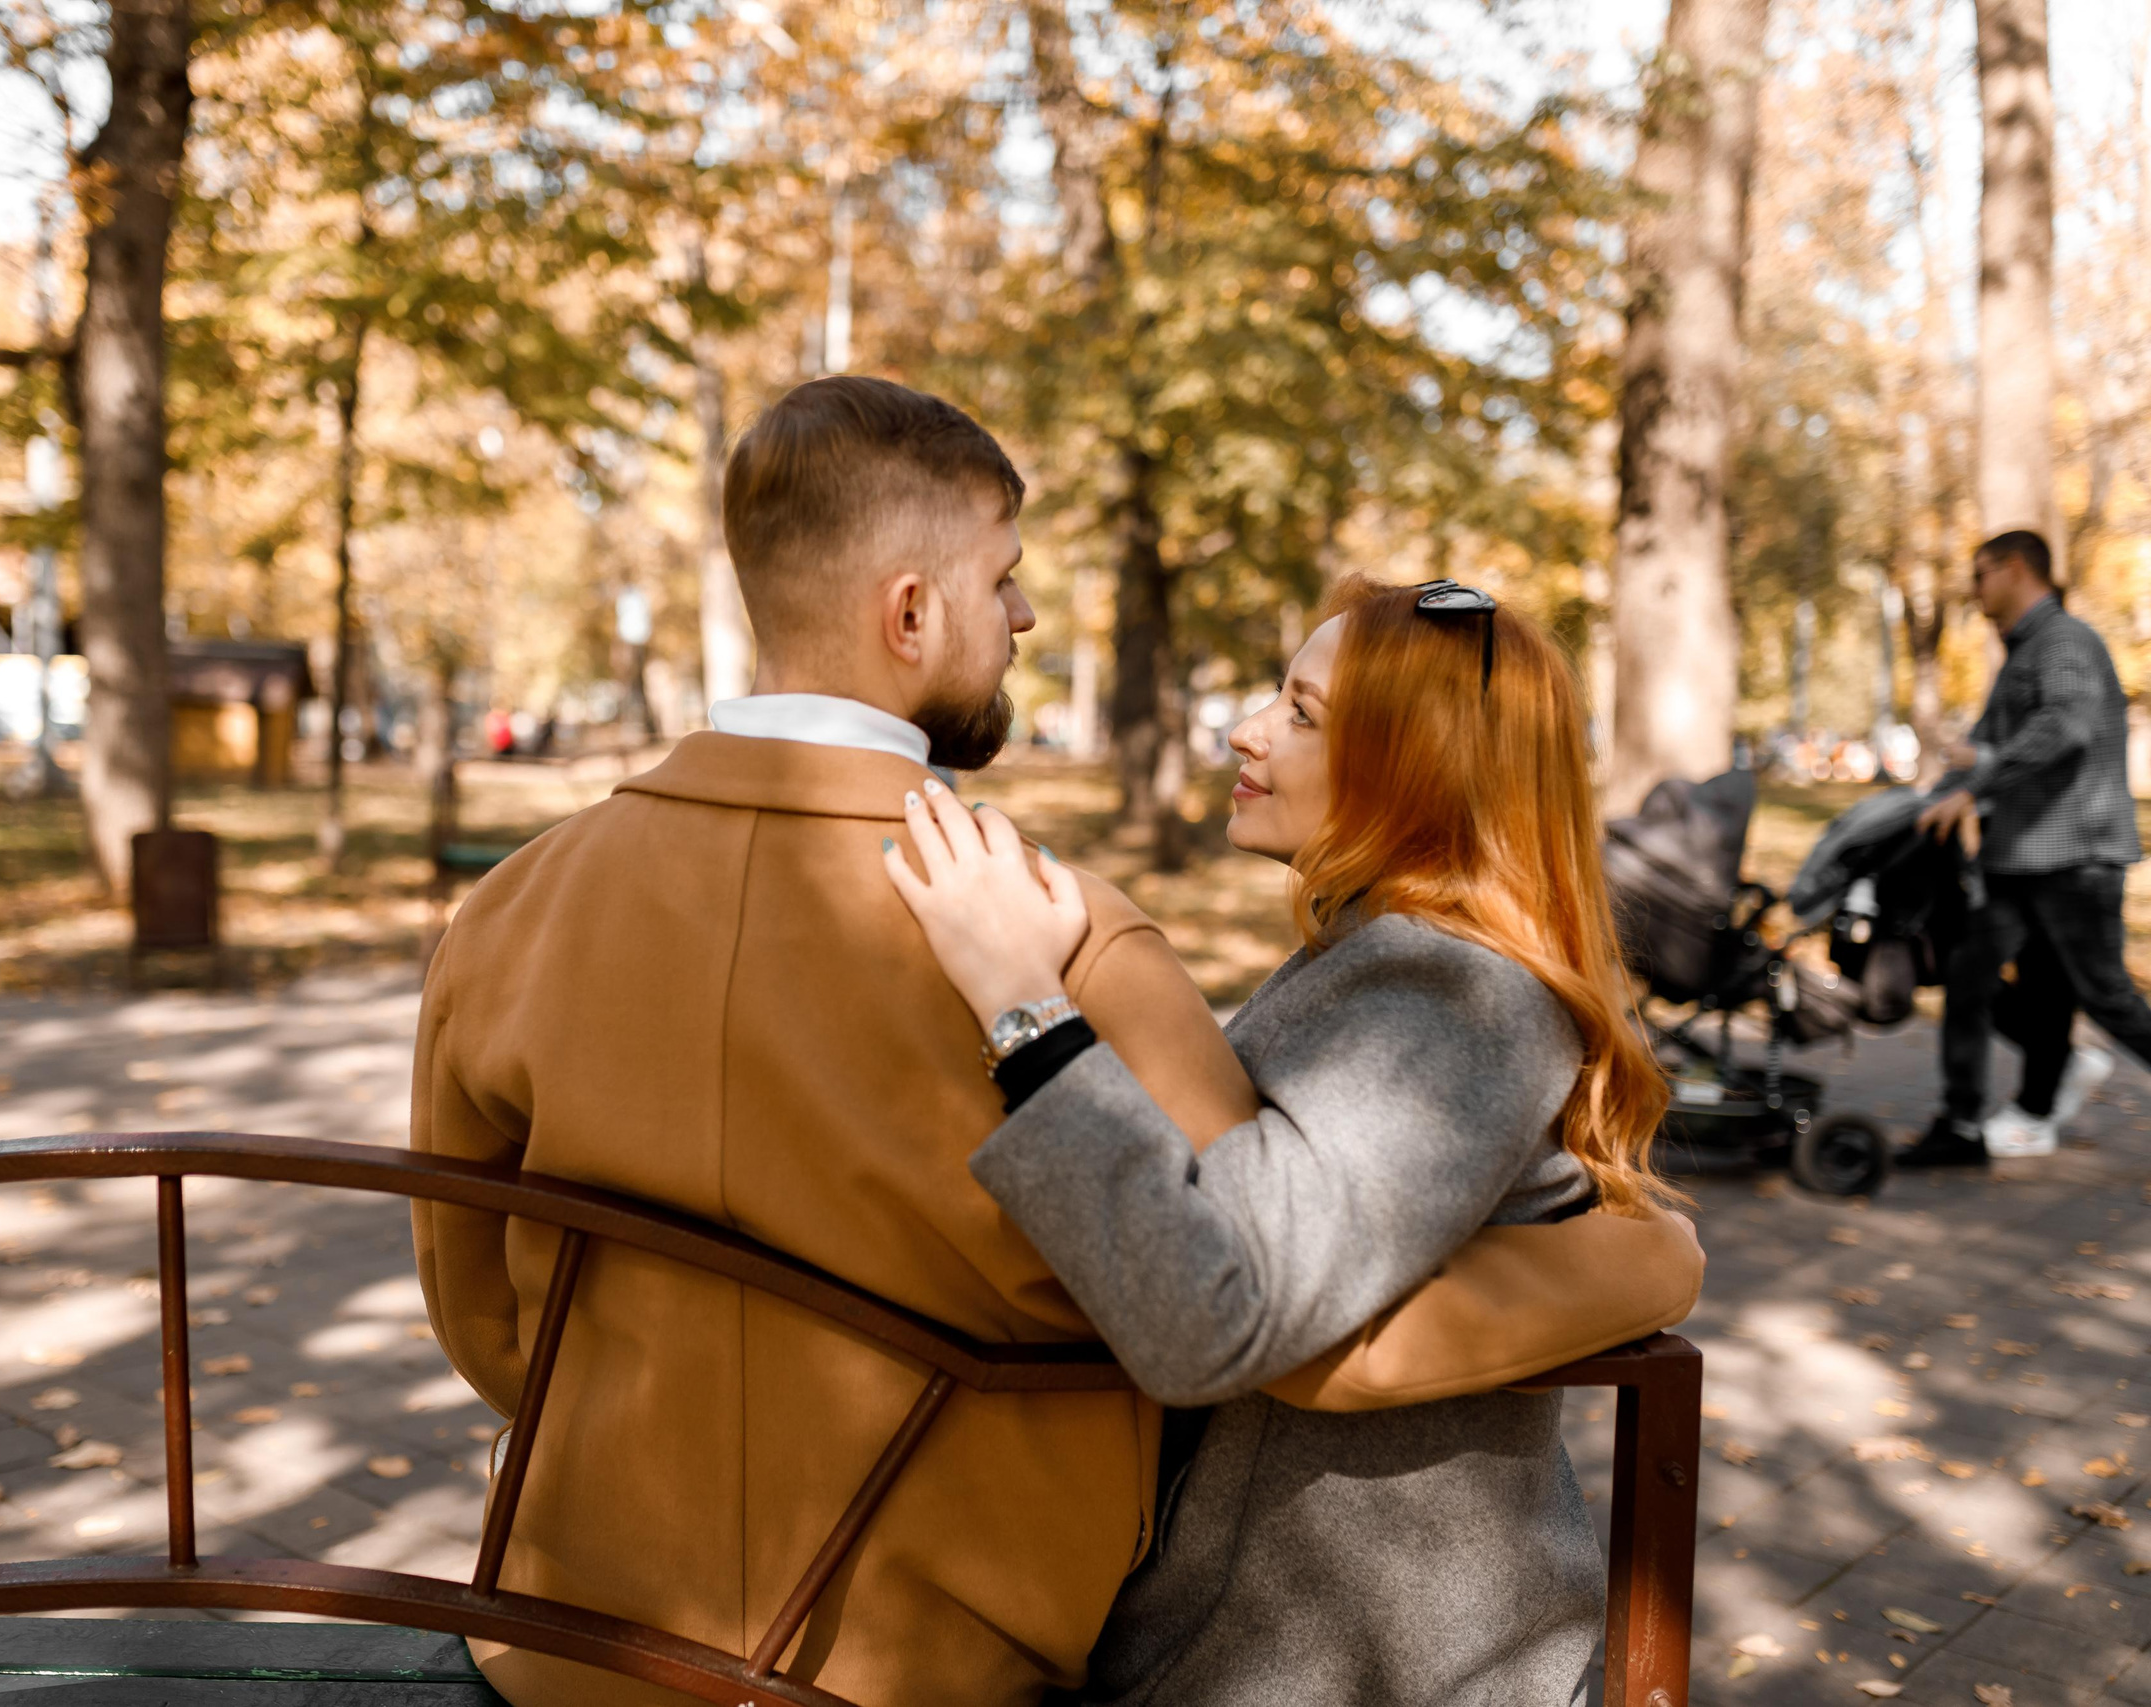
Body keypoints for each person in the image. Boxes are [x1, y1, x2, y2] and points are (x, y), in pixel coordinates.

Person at [408, 379, 1703, 1707]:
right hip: (938, 1653)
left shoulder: (504, 910)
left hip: (570, 1630)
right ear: (911, 612)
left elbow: (481, 1307)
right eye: (1007, 580)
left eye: (1300, 710)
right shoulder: (1073, 935)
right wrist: (1633, 1257)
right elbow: (1244, 1307)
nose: (1027, 615)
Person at [884, 575, 1676, 1705]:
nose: (1246, 730)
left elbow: (1214, 1310)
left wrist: (1019, 1001)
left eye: (1302, 714)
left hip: (1363, 1665)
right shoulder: (1383, 957)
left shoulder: (1456, 995)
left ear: (1422, 767)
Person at [1903, 529, 2146, 1166]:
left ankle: (2035, 1097)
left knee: (2104, 996)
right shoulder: (2022, 653)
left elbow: (2064, 728)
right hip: (2022, 856)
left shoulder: (2064, 641)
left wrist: (1979, 775)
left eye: (1979, 574)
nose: (1973, 589)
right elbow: (1983, 745)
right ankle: (1966, 1124)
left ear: (2014, 570)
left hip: (2075, 855)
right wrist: (1942, 795)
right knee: (1978, 979)